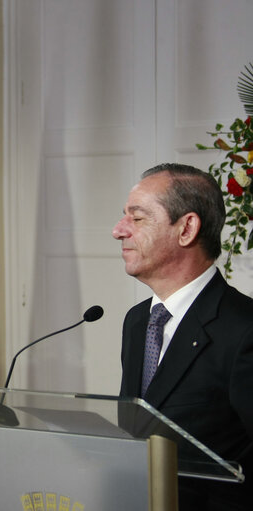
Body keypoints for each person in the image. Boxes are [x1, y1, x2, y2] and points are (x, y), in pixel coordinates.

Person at [113, 163, 253, 510]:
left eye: (138, 218)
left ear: (187, 228)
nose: (118, 230)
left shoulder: (245, 328)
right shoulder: (136, 321)